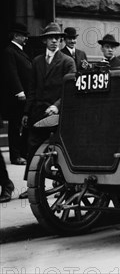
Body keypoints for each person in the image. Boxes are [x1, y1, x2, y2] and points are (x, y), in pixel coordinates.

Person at [23, 23, 76, 193]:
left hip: (57, 113)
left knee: (59, 150)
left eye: (57, 38)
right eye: (51, 38)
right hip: (38, 112)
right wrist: (26, 112)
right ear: (44, 41)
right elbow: (31, 88)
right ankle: (31, 186)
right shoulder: (37, 61)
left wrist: (56, 106)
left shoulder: (67, 61)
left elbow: (70, 88)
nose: (54, 41)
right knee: (33, 149)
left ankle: (62, 183)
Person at [3, 23, 32, 165]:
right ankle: (15, 156)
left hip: (25, 95)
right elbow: (12, 73)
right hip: (17, 97)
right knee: (15, 126)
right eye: (23, 35)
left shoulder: (20, 51)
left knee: (23, 124)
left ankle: (22, 152)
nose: (26, 37)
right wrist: (19, 92)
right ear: (16, 36)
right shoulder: (10, 51)